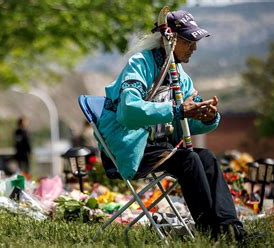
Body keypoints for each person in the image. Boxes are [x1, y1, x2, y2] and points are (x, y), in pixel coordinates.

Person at [96, 10, 253, 241]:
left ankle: (231, 228)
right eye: (188, 41)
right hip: (128, 148)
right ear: (168, 39)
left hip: (160, 147)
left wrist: (206, 116)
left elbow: (186, 122)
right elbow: (128, 111)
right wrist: (179, 110)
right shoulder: (140, 64)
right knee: (188, 160)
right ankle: (211, 232)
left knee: (206, 157)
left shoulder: (179, 73)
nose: (194, 48)